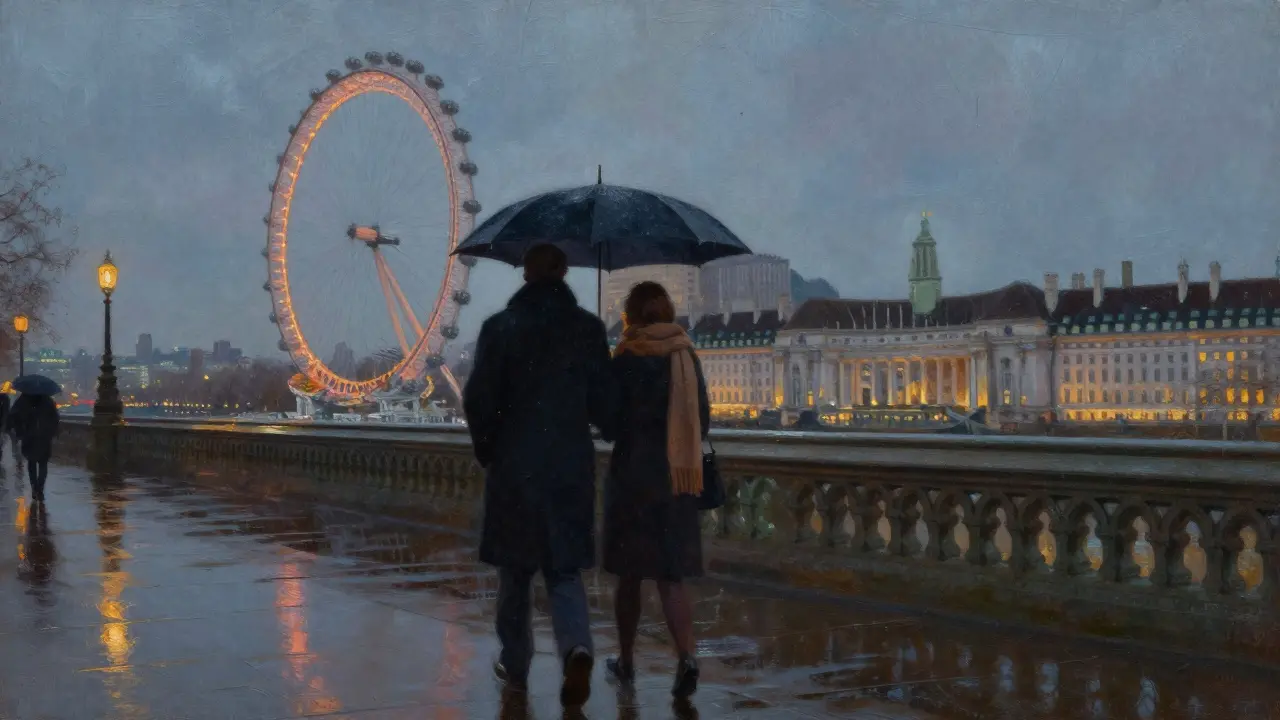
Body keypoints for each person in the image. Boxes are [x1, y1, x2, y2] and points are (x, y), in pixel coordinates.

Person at [462, 243, 613, 707]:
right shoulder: (588, 330)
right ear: (565, 273)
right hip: (568, 464)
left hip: (515, 467)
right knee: (564, 572)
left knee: (516, 573)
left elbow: (479, 401)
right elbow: (606, 407)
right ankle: (576, 648)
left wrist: (491, 450)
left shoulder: (499, 329)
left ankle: (517, 662)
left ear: (525, 274)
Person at [604, 281, 709, 699]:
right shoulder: (686, 354)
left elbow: (610, 425)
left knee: (629, 577)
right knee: (671, 576)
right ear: (668, 312)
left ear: (629, 315)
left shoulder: (626, 357)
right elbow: (703, 418)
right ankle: (686, 657)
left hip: (633, 476)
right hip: (677, 478)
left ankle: (627, 660)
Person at [10, 393, 59, 502]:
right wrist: (51, 432)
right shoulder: (48, 401)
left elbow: (14, 415)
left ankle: (34, 488)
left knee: (32, 463)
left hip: (29, 436)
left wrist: (20, 431)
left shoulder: (24, 400)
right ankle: (39, 489)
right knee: (43, 464)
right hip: (44, 437)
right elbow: (55, 418)